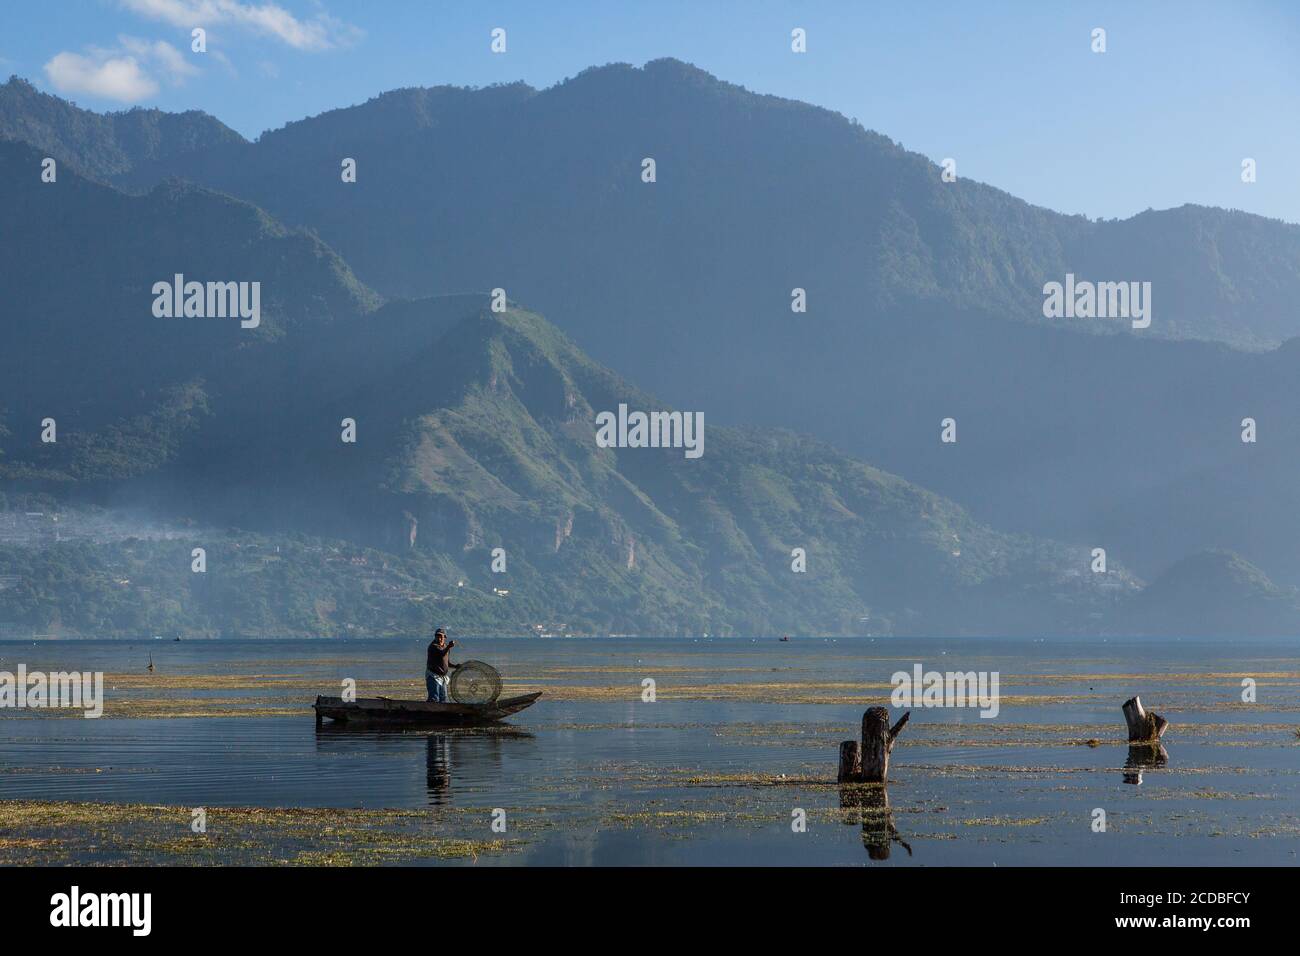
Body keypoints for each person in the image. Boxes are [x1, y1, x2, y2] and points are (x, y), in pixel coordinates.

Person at [426, 628, 460, 703]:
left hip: (442, 677)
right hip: (433, 676)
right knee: (434, 698)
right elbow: (442, 654)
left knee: (443, 699)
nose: (439, 638)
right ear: (435, 637)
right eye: (437, 636)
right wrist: (449, 647)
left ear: (445, 637)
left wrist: (455, 666)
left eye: (441, 636)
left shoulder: (445, 647)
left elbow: (446, 662)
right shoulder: (433, 646)